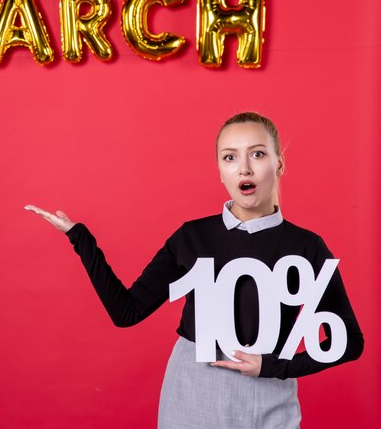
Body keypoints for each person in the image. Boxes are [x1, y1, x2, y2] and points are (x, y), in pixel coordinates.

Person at [24, 111, 363, 429]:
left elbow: (349, 342)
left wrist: (275, 368)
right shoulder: (192, 236)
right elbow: (126, 312)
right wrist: (79, 238)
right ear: (220, 170)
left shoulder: (307, 247)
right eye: (230, 157)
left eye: (257, 154)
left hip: (270, 394)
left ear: (280, 163)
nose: (244, 168)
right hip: (193, 388)